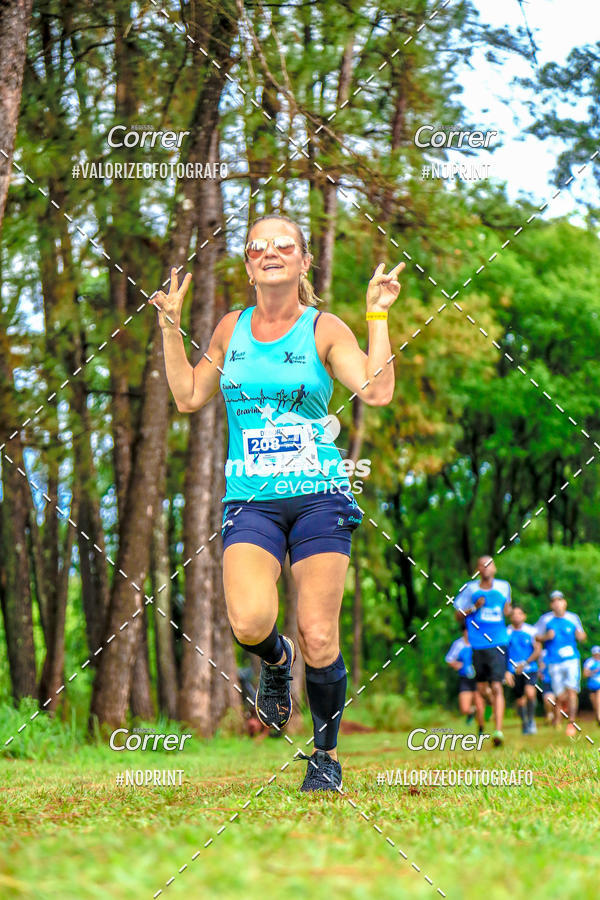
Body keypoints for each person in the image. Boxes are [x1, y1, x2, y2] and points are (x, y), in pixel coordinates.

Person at [151, 214, 404, 792]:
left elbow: (378, 389)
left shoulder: (324, 328)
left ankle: (325, 756)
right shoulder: (229, 329)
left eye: (283, 245)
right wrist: (170, 327)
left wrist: (378, 316)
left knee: (320, 634)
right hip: (252, 502)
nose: (270, 252)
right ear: (247, 265)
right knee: (249, 621)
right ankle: (274, 659)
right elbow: (190, 395)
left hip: (319, 498)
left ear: (303, 261)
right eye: (258, 247)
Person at [454, 555, 512, 746]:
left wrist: (509, 612)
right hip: (478, 644)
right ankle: (489, 708)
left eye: (489, 564)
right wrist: (473, 608)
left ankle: (498, 731)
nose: (486, 568)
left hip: (499, 641)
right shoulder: (470, 589)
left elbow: (507, 609)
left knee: (496, 686)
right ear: (478, 569)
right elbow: (458, 615)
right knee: (481, 689)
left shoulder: (504, 586)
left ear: (494, 568)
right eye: (482, 565)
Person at [535, 591, 586, 737]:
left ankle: (571, 722)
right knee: (559, 694)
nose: (557, 603)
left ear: (565, 603)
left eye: (560, 600)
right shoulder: (545, 620)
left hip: (571, 659)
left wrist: (580, 635)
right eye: (554, 601)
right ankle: (557, 718)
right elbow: (536, 637)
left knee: (572, 690)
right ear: (551, 604)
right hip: (553, 661)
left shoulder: (573, 618)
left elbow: (582, 636)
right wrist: (546, 637)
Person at [504, 606, 540, 735]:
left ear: (524, 616)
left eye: (519, 613)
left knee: (530, 693)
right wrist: (506, 671)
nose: (516, 616)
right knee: (520, 700)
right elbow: (503, 653)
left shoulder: (531, 631)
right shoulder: (506, 633)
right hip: (513, 671)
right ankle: (524, 723)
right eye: (513, 614)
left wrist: (525, 663)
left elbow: (537, 650)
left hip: (530, 668)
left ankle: (531, 720)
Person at [445, 628, 485, 733]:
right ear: (464, 632)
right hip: (465, 679)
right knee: (464, 708)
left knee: (480, 705)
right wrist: (456, 665)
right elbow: (449, 659)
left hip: (478, 679)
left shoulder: (479, 642)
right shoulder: (458, 644)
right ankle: (471, 712)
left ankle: (481, 729)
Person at [583, 645, 600, 727]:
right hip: (591, 685)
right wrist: (593, 671)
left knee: (598, 701)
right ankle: (598, 717)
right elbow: (585, 674)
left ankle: (599, 718)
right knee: (595, 704)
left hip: (599, 686)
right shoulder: (589, 662)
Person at [537, 648, 556, 725]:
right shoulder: (543, 653)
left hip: (557, 680)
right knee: (548, 699)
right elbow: (541, 665)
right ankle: (550, 714)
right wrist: (540, 672)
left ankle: (554, 717)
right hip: (548, 680)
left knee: (556, 700)